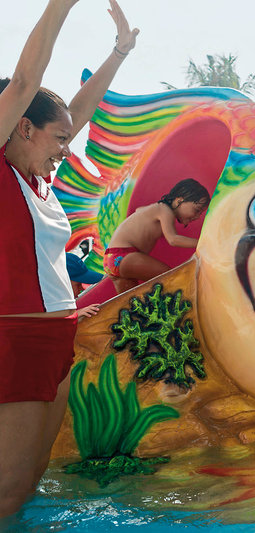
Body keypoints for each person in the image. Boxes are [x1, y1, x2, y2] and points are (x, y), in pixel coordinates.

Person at [0, 0, 139, 518]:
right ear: (21, 127)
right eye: (59, 138)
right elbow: (23, 82)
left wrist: (119, 52)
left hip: (55, 340)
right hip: (15, 341)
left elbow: (74, 114)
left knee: (30, 482)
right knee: (7, 490)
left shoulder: (37, 178)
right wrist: (61, 5)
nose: (67, 147)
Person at [103, 179, 210, 294]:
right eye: (196, 210)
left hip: (112, 260)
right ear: (179, 200)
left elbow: (139, 210)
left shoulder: (154, 210)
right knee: (172, 277)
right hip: (124, 256)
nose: (197, 216)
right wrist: (204, 243)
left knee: (131, 301)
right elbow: (173, 239)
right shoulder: (164, 210)